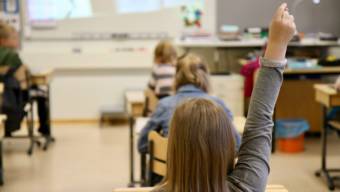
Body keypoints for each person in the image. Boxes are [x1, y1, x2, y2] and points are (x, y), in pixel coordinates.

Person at [153, 3, 296, 192]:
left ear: (173, 149)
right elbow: (259, 123)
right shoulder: (246, 186)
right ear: (228, 145)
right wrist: (278, 44)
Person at [138, 53, 241, 154]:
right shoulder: (218, 105)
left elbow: (142, 145)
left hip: (174, 169)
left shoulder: (165, 105)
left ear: (176, 78)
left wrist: (165, 144)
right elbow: (237, 145)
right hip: (212, 170)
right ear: (205, 77)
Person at [0, 22, 51, 137]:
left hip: (3, 97)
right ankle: (44, 129)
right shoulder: (12, 56)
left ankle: (5, 129)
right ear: (2, 40)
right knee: (40, 94)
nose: (17, 40)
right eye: (14, 38)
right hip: (12, 98)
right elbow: (23, 79)